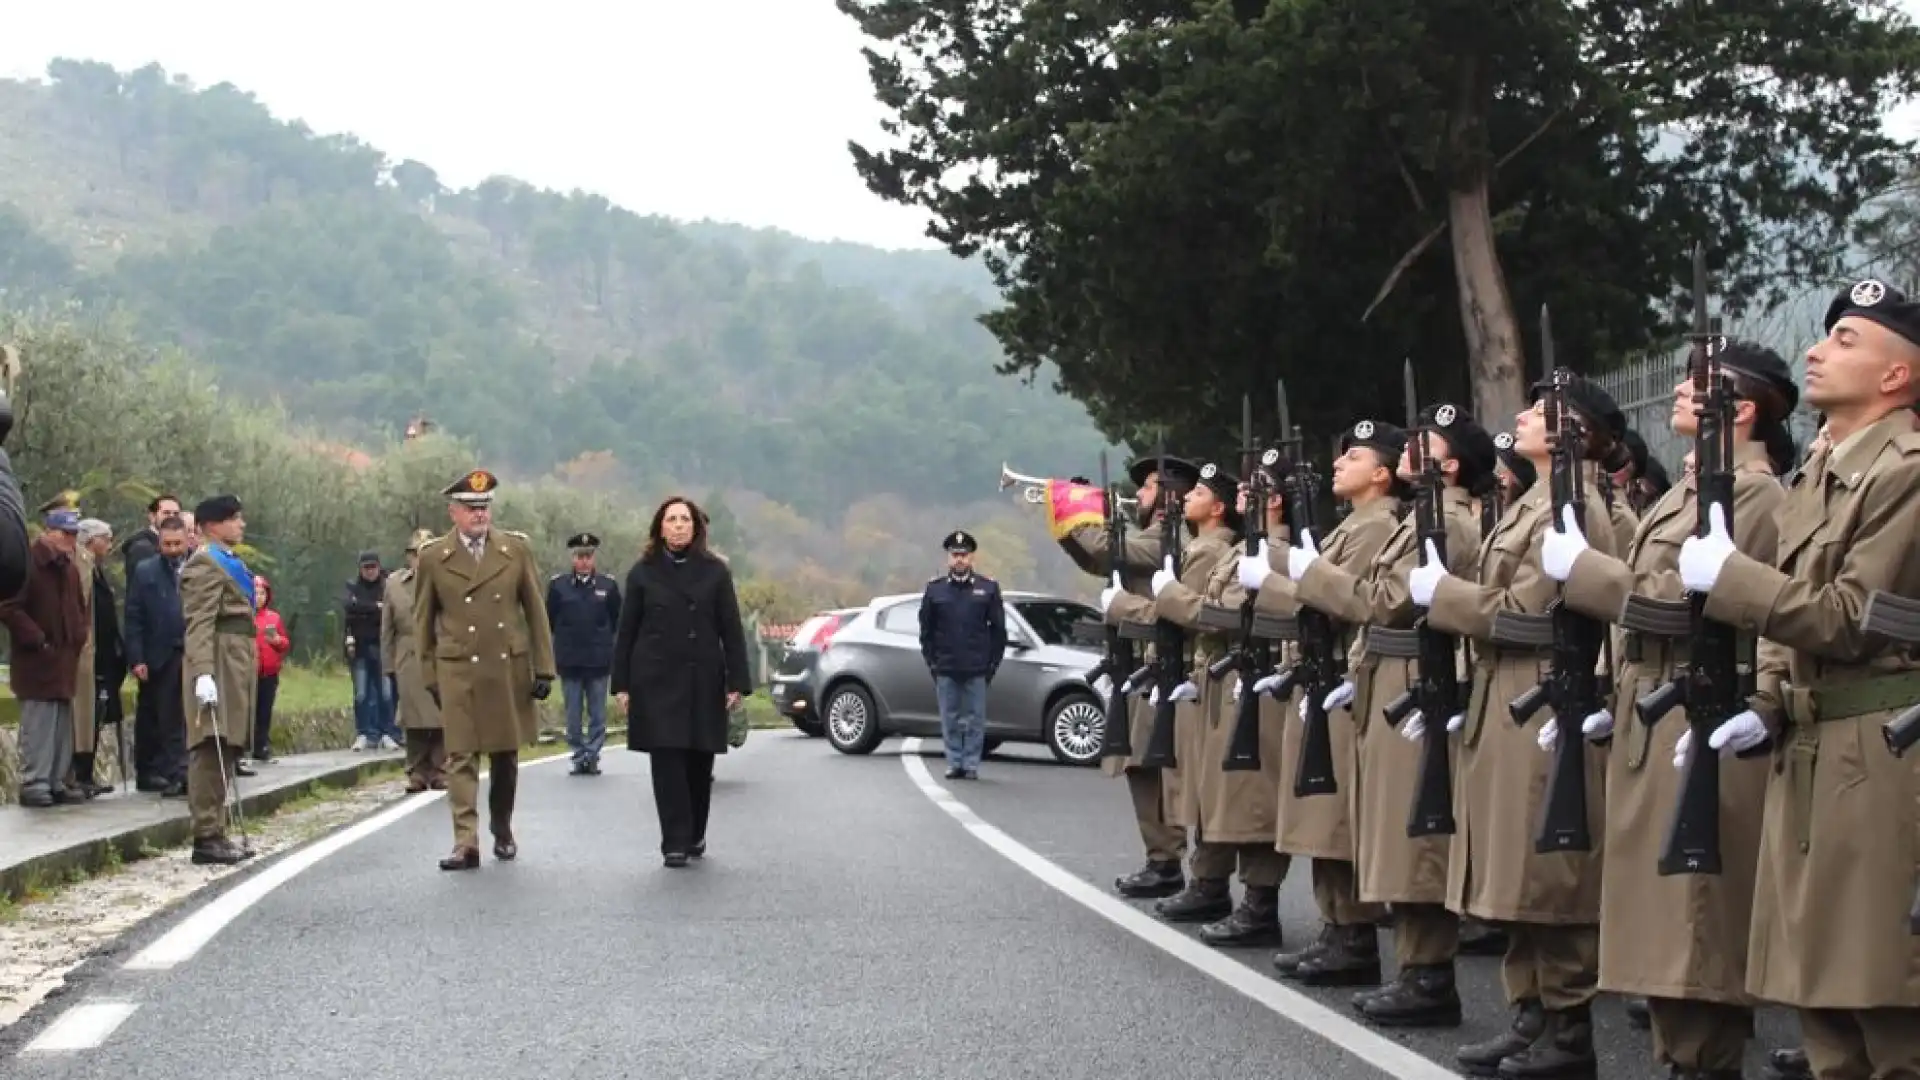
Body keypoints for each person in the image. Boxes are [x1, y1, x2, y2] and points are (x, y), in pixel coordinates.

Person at [1676, 278, 1920, 1078]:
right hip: (1812, 744)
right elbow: (1792, 620)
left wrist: (1733, 580)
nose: (1817, 350)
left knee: (1885, 999)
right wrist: (1767, 700)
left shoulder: (1904, 472)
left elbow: (1852, 616)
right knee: (1819, 992)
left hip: (1878, 752)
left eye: (1847, 339)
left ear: (1898, 375)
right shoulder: (1823, 472)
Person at [1541, 341, 1798, 1079]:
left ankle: (1700, 1065)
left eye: (1701, 386)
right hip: (1652, 706)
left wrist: (1587, 574)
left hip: (1701, 703)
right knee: (1663, 918)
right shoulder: (1694, 493)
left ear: (1740, 410)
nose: (1681, 394)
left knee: (1697, 921)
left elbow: (1690, 607)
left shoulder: (1755, 496)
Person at [1410, 375, 1626, 1077]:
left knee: (1547, 873)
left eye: (1542, 411)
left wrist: (1445, 597)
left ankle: (1567, 1031)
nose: (1524, 416)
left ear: (1578, 433)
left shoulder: (1574, 505)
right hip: (1504, 692)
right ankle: (1530, 1015)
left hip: (1540, 689)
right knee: (1511, 871)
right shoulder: (1531, 504)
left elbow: (1526, 614)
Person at [1286, 404, 1497, 1025]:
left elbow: (1386, 602)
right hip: (1385, 673)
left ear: (1449, 464)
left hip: (1414, 676)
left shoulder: (1449, 522)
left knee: (1415, 831)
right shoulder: (1418, 520)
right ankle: (1412, 967)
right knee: (1389, 826)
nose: (1411, 444)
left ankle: (1428, 975)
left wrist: (1309, 575)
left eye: (1425, 440)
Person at [1253, 420, 1406, 980]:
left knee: (1333, 813)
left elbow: (1326, 599)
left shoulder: (1374, 527)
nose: (1340, 463)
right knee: (1319, 811)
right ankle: (1337, 927)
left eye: (1355, 457)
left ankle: (1353, 934)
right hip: (1320, 678)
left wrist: (1274, 573)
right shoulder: (1353, 525)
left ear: (1382, 474)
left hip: (1342, 677)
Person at [1103, 461, 1241, 926]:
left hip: (1186, 673)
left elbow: (1184, 616)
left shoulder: (1203, 550)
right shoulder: (1195, 546)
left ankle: (1196, 877)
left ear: (1217, 506)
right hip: (1168, 670)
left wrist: (1122, 605)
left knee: (1187, 780)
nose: (1186, 500)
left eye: (1198, 492)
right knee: (1159, 771)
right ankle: (1188, 873)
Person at [1057, 454, 1200, 899]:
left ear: (1168, 494)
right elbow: (1099, 561)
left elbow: (1110, 550)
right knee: (1141, 767)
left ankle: (1177, 863)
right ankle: (1162, 860)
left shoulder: (1171, 536)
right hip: (1143, 667)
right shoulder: (1148, 535)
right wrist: (1075, 529)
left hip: (1167, 667)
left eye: (1148, 486)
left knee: (1162, 769)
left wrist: (1076, 512)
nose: (1137, 493)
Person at [413, 470, 557, 871]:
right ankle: (465, 841)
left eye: (484, 507)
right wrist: (428, 675)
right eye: (471, 508)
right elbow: (422, 619)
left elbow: (535, 611)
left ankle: (502, 826)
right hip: (458, 667)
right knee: (459, 755)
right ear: (453, 512)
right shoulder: (433, 557)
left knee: (505, 756)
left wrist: (543, 667)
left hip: (505, 666)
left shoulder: (515, 550)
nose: (479, 514)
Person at [611, 495, 751, 868]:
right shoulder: (643, 573)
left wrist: (737, 680)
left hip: (703, 676)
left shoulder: (715, 572)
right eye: (671, 519)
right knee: (666, 758)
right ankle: (673, 840)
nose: (678, 526)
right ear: (660, 526)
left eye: (684, 520)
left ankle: (695, 833)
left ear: (696, 527)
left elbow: (731, 629)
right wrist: (621, 684)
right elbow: (627, 631)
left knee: (698, 760)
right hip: (655, 678)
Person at [177, 494, 258, 865]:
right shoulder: (204, 564)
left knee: (228, 745)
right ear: (212, 525)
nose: (241, 524)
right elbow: (199, 623)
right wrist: (203, 672)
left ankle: (218, 828)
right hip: (220, 658)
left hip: (237, 656)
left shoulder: (229, 560)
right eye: (234, 519)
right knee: (212, 744)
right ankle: (206, 834)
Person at [1, 502, 87, 807]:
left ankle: (56, 779)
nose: (71, 540)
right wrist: (37, 639)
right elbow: (9, 607)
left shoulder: (70, 569)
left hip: (63, 660)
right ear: (50, 532)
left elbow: (80, 608)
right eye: (66, 533)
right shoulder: (29, 564)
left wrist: (79, 637)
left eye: (74, 534)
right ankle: (35, 780)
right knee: (38, 722)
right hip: (37, 661)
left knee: (61, 723)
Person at [917, 529, 1007, 780]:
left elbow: (999, 631)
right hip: (946, 666)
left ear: (972, 558)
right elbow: (926, 632)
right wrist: (933, 663)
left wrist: (991, 666)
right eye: (955, 555)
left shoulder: (987, 588)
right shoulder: (935, 591)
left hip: (976, 667)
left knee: (975, 720)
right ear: (948, 558)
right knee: (950, 718)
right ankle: (954, 762)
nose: (959, 559)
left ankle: (971, 765)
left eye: (964, 555)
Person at [124, 515, 192, 796]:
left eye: (178, 543)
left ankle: (187, 771)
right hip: (159, 654)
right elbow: (134, 616)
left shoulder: (198, 568)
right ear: (160, 542)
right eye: (168, 544)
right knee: (165, 716)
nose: (173, 549)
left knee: (189, 715)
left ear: (188, 540)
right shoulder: (145, 571)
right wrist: (137, 657)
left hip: (191, 652)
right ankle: (171, 772)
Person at [546, 531, 622, 776]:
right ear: (572, 558)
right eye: (580, 556)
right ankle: (579, 755)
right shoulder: (558, 586)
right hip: (570, 661)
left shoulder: (607, 586)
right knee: (573, 715)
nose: (584, 561)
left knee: (598, 714)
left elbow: (615, 619)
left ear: (594, 558)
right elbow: (549, 620)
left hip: (598, 661)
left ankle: (593, 755)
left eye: (588, 556)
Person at [383, 529, 445, 792]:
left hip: (440, 651)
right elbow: (386, 627)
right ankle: (417, 771)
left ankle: (441, 769)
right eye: (415, 554)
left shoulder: (447, 581)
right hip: (408, 655)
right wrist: (388, 664)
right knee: (412, 716)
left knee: (441, 715)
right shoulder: (394, 583)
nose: (419, 559)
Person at [72, 516, 121, 797]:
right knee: (83, 714)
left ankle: (86, 773)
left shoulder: (96, 567)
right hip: (87, 650)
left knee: (96, 714)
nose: (110, 544)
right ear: (92, 540)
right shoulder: (82, 564)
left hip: (101, 651)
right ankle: (79, 774)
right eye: (106, 538)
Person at [342, 550, 399, 751]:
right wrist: (375, 607)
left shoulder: (388, 585)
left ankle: (388, 732)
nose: (370, 571)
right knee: (362, 693)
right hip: (360, 648)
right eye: (366, 567)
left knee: (386, 693)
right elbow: (349, 607)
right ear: (360, 568)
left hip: (383, 646)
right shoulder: (353, 586)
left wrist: (364, 609)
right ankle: (364, 732)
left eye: (373, 567)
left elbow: (391, 610)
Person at [251, 574, 289, 763]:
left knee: (265, 710)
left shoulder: (274, 617)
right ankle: (244, 748)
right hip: (249, 673)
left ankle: (262, 746)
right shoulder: (244, 617)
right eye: (255, 593)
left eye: (261, 593)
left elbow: (285, 643)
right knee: (248, 711)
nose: (258, 597)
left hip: (269, 672)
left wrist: (278, 641)